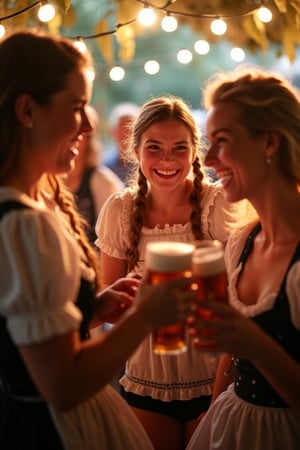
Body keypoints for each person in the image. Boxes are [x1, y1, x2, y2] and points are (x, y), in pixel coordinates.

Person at [0, 30, 197, 450]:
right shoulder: (23, 224)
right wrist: (146, 316)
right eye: (76, 108)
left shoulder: (21, 211)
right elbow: (63, 384)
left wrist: (91, 309)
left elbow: (27, 344)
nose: (89, 126)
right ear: (27, 110)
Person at [95, 95, 249, 450]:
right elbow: (109, 311)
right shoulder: (120, 210)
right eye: (154, 147)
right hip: (146, 379)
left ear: (196, 151)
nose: (167, 159)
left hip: (215, 380)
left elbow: (241, 299)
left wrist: (217, 398)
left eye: (179, 147)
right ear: (135, 150)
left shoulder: (218, 205)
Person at [186, 67, 300, 450]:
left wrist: (259, 346)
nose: (209, 158)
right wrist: (215, 404)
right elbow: (232, 352)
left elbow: (248, 342)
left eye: (222, 141)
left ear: (269, 143)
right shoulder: (241, 241)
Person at [65, 105, 123, 244]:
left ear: (89, 140)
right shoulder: (47, 181)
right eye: (69, 131)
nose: (73, 139)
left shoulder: (103, 182)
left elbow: (114, 240)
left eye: (80, 134)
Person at [104, 102, 140, 185]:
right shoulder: (103, 165)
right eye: (123, 128)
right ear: (112, 132)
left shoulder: (146, 164)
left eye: (131, 128)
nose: (127, 134)